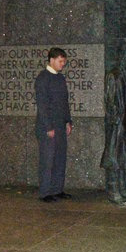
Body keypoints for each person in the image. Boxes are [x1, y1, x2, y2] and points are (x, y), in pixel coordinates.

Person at [101, 46, 126, 207]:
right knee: (113, 156)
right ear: (122, 56)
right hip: (117, 123)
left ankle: (122, 189)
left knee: (122, 156)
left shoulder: (125, 74)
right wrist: (116, 119)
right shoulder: (113, 75)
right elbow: (110, 100)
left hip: (125, 122)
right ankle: (113, 190)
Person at [35, 47, 73, 202]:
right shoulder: (43, 78)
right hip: (48, 127)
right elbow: (42, 105)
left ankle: (57, 189)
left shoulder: (60, 78)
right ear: (51, 60)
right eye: (60, 61)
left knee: (59, 159)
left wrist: (68, 121)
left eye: (64, 61)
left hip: (60, 124)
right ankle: (45, 192)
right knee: (48, 160)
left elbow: (64, 103)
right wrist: (48, 127)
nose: (62, 64)